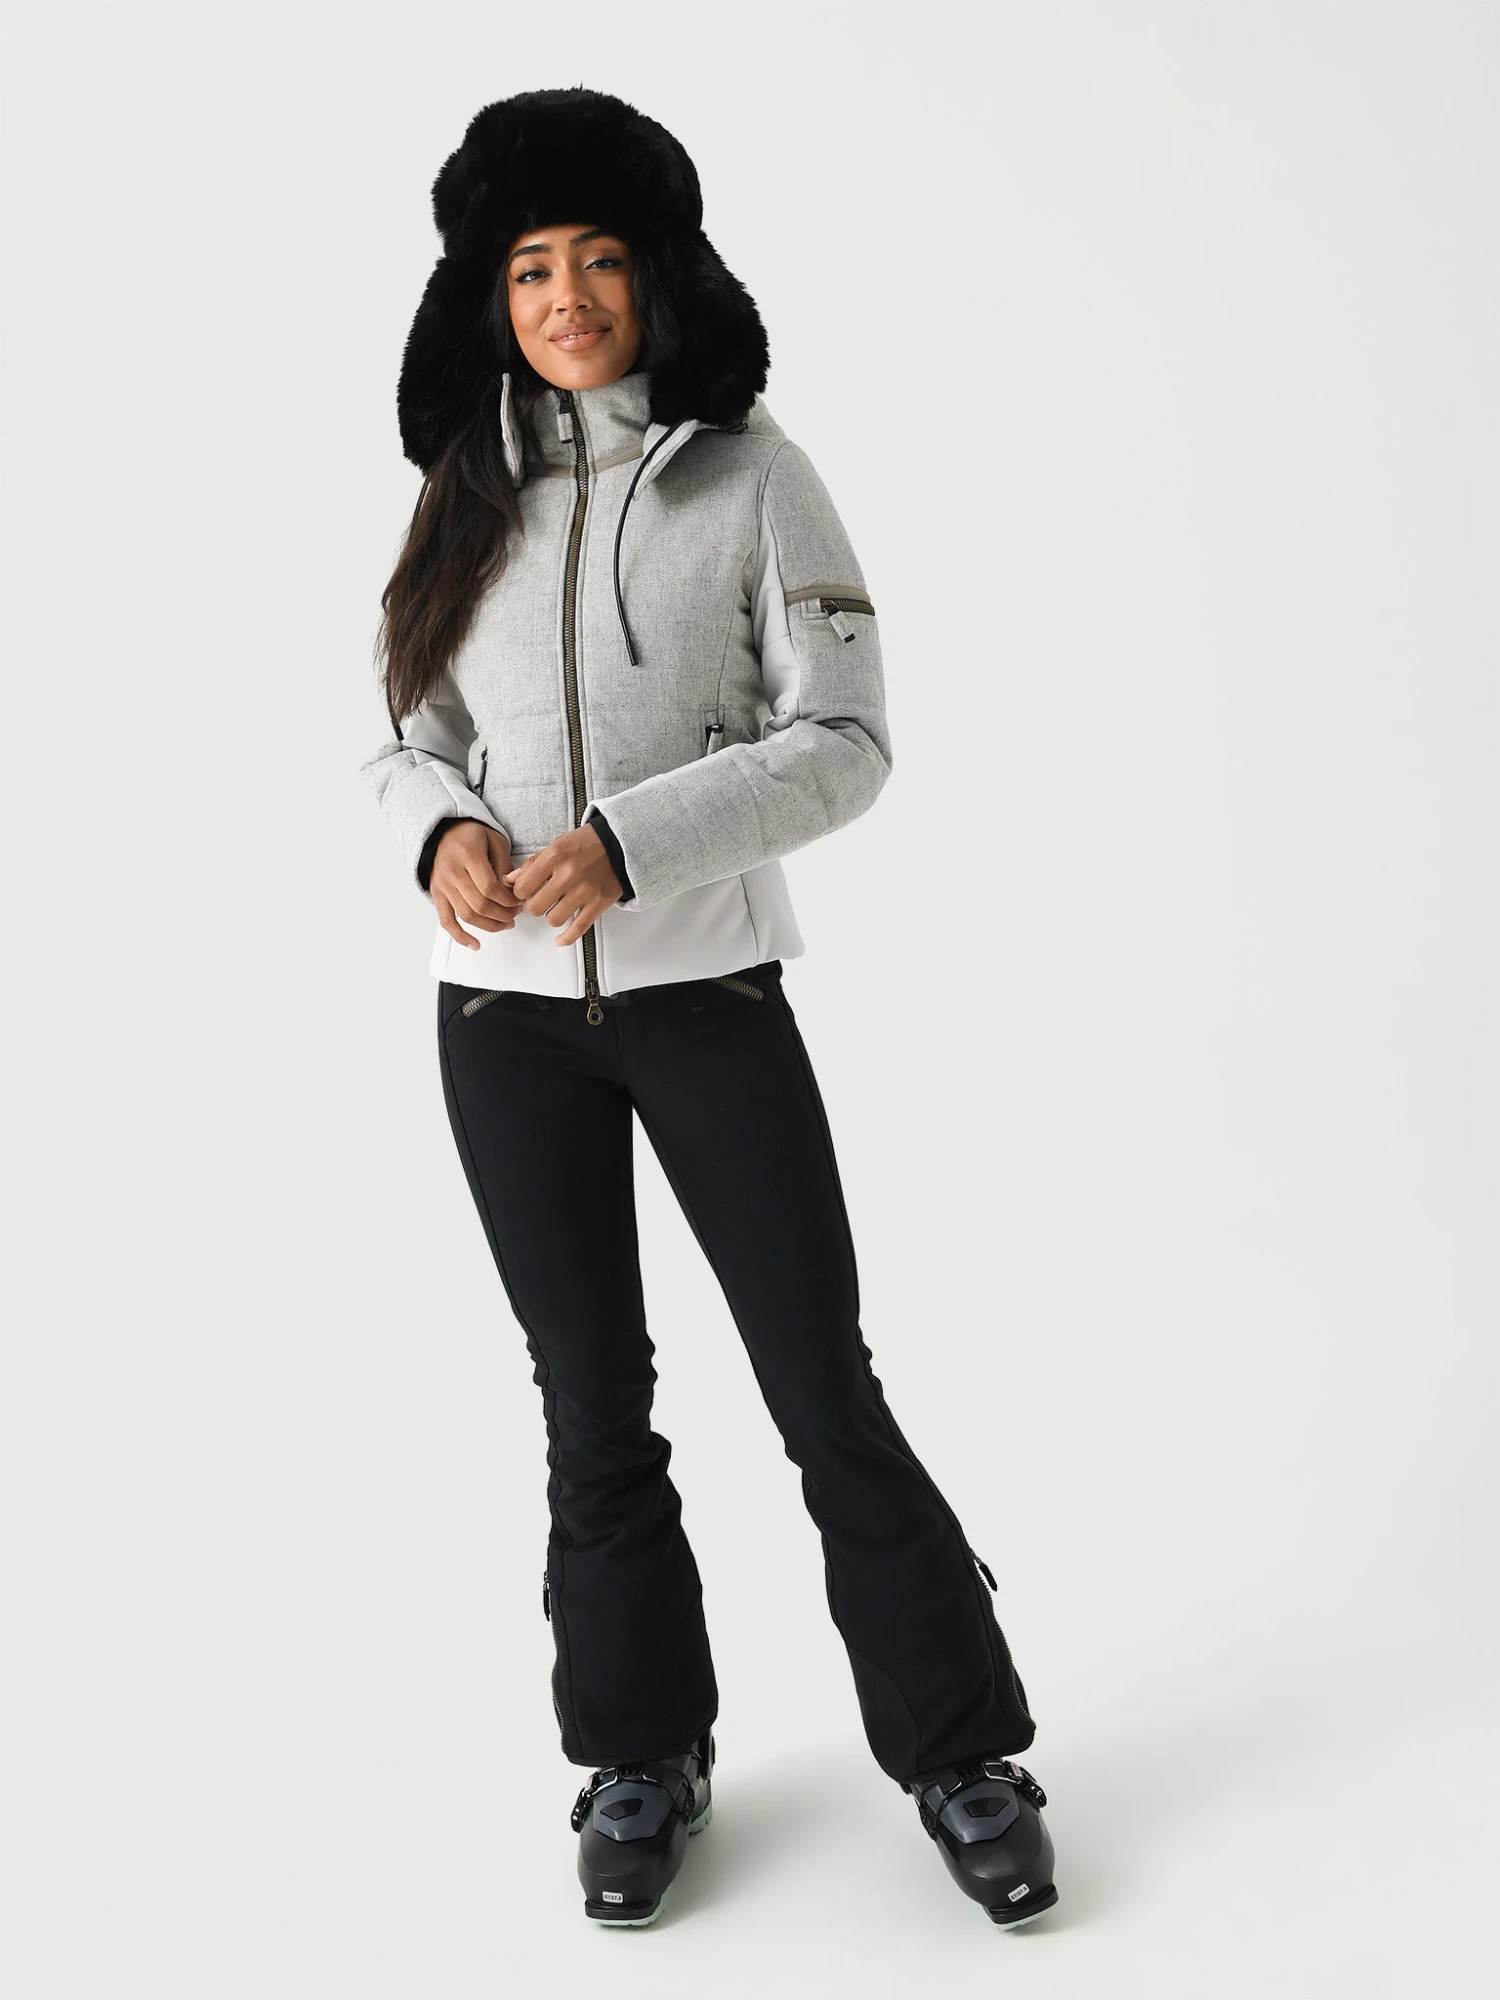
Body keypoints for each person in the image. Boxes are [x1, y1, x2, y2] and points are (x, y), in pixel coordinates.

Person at [362, 86, 1057, 1930]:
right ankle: (639, 1753)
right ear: (489, 294)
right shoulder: (461, 490)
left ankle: (964, 1751)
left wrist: (630, 843)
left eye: (600, 258)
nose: (568, 296)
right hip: (502, 1028)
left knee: (821, 1388)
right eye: (531, 266)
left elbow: (848, 743)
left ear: (659, 275)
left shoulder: (756, 476)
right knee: (590, 1405)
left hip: (708, 1002)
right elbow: (406, 731)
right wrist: (436, 828)